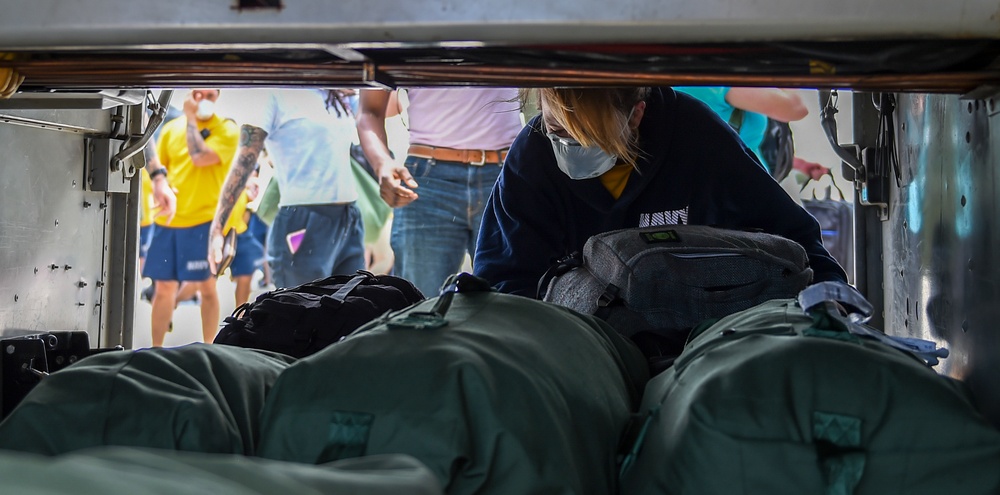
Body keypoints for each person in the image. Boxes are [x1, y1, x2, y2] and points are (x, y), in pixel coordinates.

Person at [472, 87, 847, 296]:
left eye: (591, 139)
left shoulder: (696, 136)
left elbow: (790, 235)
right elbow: (503, 274)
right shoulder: (533, 154)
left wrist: (830, 298)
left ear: (637, 115)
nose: (570, 148)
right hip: (579, 345)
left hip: (692, 339)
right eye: (559, 133)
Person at [356, 87, 523, 296]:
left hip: (505, 174)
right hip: (428, 181)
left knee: (512, 302)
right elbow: (369, 110)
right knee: (418, 304)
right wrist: (382, 164)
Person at [208, 89, 365, 289]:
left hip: (348, 217)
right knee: (301, 312)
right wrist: (218, 228)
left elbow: (385, 108)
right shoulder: (273, 94)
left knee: (353, 310)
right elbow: (244, 161)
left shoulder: (339, 94)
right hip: (303, 219)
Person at [143, 88, 239, 347]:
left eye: (209, 94)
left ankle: (210, 348)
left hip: (204, 223)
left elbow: (200, 158)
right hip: (168, 222)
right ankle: (156, 351)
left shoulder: (227, 130)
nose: (202, 99)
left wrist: (192, 119)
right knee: (163, 289)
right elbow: (156, 169)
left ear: (218, 96)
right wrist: (160, 188)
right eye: (198, 93)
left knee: (207, 288)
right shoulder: (171, 129)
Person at [672, 86, 808, 175]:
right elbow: (796, 108)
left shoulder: (664, 86)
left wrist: (800, 164)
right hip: (745, 191)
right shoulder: (714, 82)